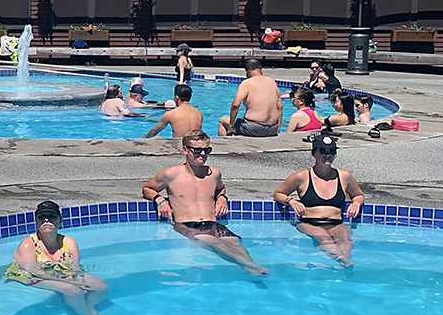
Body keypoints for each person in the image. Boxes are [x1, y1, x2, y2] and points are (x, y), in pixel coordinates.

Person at [143, 130, 269, 277]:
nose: (203, 154)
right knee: (213, 242)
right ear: (185, 150)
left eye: (206, 150)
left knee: (235, 242)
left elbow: (221, 188)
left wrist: (222, 197)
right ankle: (251, 265)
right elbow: (147, 189)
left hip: (213, 224)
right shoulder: (171, 174)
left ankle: (248, 267)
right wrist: (159, 199)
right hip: (187, 225)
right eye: (197, 150)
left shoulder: (214, 173)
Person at [4, 201, 110, 315]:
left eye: (52, 217)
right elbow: (35, 271)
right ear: (36, 222)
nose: (46, 220)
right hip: (30, 275)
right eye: (42, 217)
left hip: (59, 271)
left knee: (102, 287)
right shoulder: (28, 244)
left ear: (60, 221)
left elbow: (75, 267)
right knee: (73, 290)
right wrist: (72, 282)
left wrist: (79, 279)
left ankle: (88, 305)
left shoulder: (69, 243)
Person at [274, 134, 365, 266]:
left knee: (345, 240)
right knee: (323, 237)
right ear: (313, 153)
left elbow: (358, 195)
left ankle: (344, 263)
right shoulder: (302, 176)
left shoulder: (344, 176)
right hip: (310, 223)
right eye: (322, 151)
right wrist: (291, 201)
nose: (327, 155)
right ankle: (343, 261)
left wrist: (356, 203)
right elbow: (279, 193)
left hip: (336, 223)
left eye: (331, 152)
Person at [218, 59, 283, 137]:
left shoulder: (247, 83)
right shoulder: (272, 82)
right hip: (272, 128)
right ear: (261, 70)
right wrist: (278, 128)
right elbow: (280, 106)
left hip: (253, 128)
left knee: (222, 120)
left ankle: (227, 147)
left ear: (246, 72)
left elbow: (235, 105)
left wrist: (231, 125)